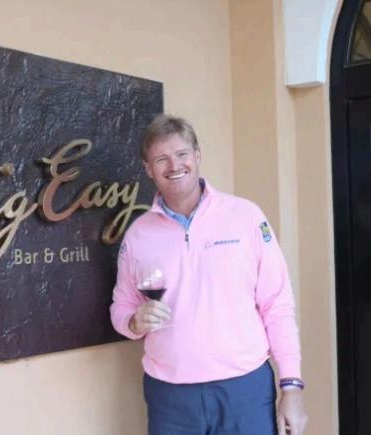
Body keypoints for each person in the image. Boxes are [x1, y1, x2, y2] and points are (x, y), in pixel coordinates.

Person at [110, 114, 307, 435]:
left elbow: (277, 305)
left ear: (198, 155)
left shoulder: (246, 217)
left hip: (244, 389)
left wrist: (291, 386)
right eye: (161, 159)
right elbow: (121, 307)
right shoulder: (138, 236)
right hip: (170, 397)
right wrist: (133, 322)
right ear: (148, 169)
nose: (174, 166)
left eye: (182, 154)